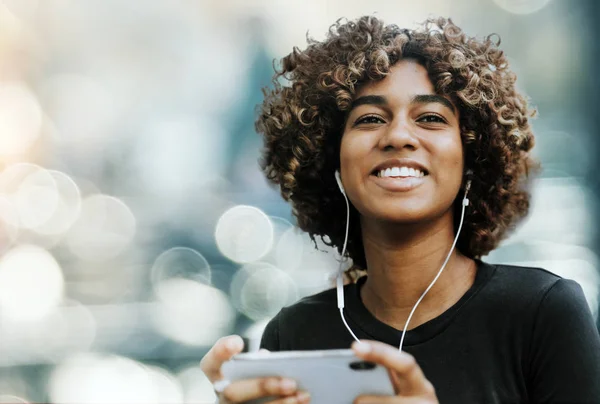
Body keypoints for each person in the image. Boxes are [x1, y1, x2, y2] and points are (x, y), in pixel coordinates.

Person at [201, 15, 600, 403]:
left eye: (429, 118)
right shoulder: (293, 335)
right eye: (371, 118)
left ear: (472, 157)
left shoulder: (543, 314)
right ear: (331, 161)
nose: (398, 136)